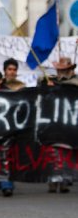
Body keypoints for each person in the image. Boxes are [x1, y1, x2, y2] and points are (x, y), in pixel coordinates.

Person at [41, 57, 77, 193]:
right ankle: (52, 180)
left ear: (70, 70)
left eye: (65, 70)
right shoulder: (50, 81)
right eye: (59, 70)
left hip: (70, 123)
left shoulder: (75, 83)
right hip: (53, 123)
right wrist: (48, 86)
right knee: (53, 153)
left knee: (68, 153)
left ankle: (65, 180)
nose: (61, 72)